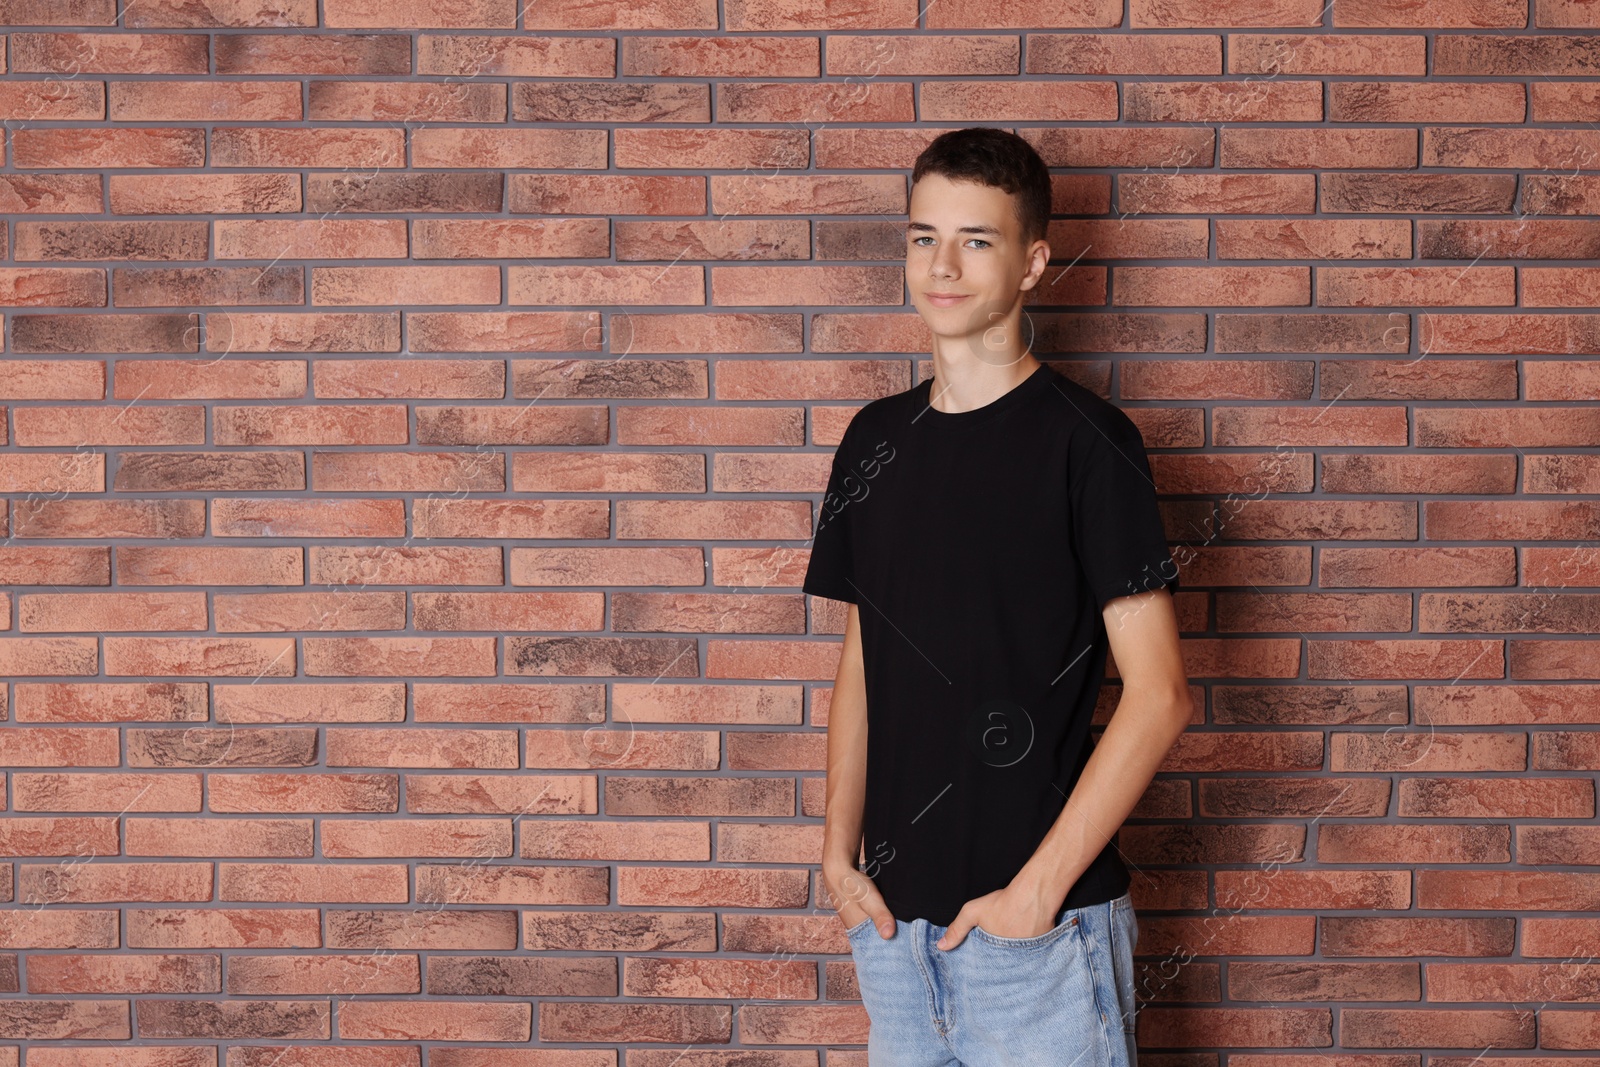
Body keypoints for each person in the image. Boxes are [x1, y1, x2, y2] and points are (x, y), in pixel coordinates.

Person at [805, 126, 1192, 1067]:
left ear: (1033, 263)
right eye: (921, 235)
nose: (942, 264)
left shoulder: (1089, 445)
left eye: (976, 239)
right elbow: (866, 655)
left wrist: (1034, 895)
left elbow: (1161, 694)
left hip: (1040, 941)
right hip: (896, 937)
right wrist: (837, 853)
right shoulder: (873, 441)